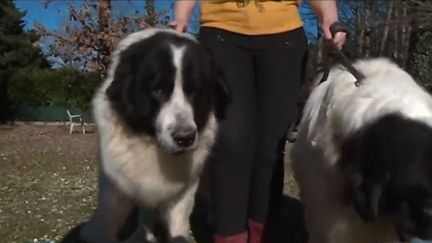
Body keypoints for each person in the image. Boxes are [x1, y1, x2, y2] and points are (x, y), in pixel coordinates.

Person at [170, 1, 346, 243]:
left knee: (270, 148)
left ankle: (262, 233)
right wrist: (182, 16)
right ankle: (229, 236)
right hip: (221, 35)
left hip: (284, 40)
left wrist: (329, 16)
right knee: (231, 142)